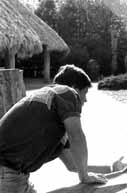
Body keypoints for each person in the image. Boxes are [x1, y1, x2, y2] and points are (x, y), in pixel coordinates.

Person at [0, 64, 108, 193]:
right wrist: (84, 177)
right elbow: (77, 136)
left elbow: (73, 165)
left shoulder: (49, 110)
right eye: (85, 93)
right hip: (6, 171)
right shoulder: (67, 92)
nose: (85, 100)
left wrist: (111, 168)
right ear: (74, 87)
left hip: (13, 173)